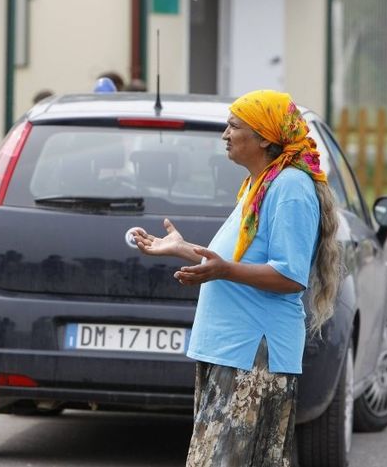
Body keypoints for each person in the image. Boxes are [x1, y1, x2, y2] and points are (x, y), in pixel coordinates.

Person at [132, 90, 340, 466]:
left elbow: (289, 276)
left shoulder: (290, 188)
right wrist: (180, 248)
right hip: (228, 349)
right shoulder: (258, 185)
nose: (225, 134)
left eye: (233, 126)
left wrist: (224, 270)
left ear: (263, 137)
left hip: (254, 352)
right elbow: (229, 261)